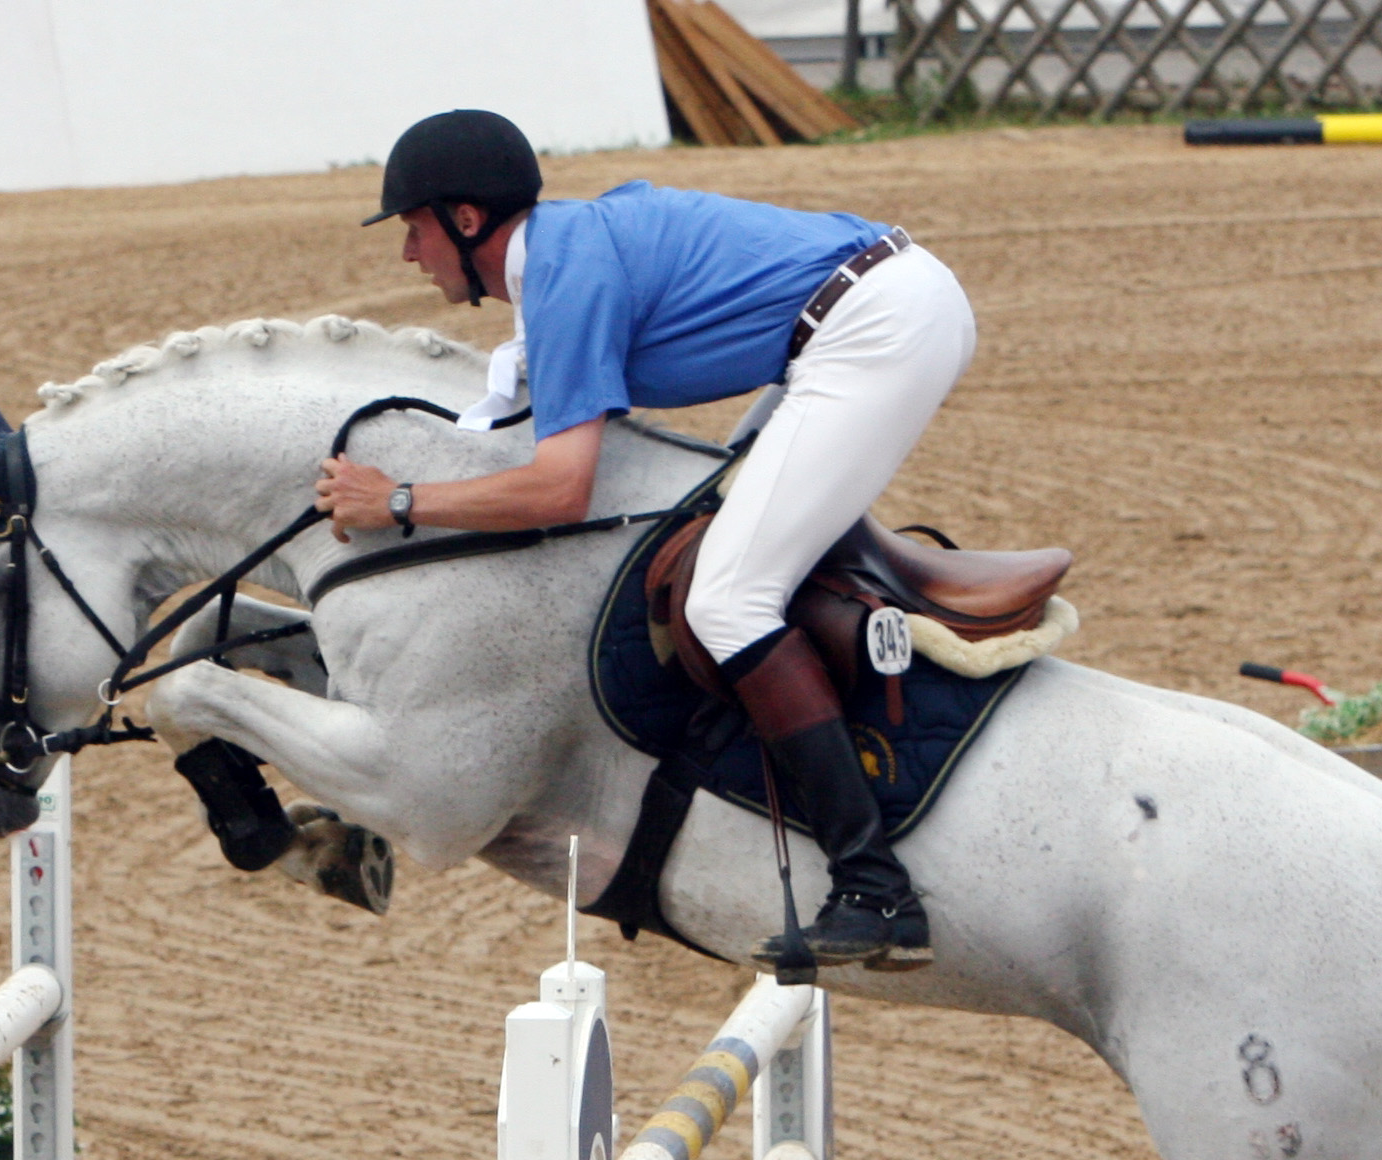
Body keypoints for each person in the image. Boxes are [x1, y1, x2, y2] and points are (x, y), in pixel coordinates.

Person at [315, 110, 978, 972]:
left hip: (873, 333)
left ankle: (876, 889)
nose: (409, 254)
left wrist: (398, 501)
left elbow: (560, 489)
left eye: (413, 228)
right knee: (712, 531)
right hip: (867, 310)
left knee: (728, 597)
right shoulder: (560, 254)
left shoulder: (564, 274)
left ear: (466, 220)